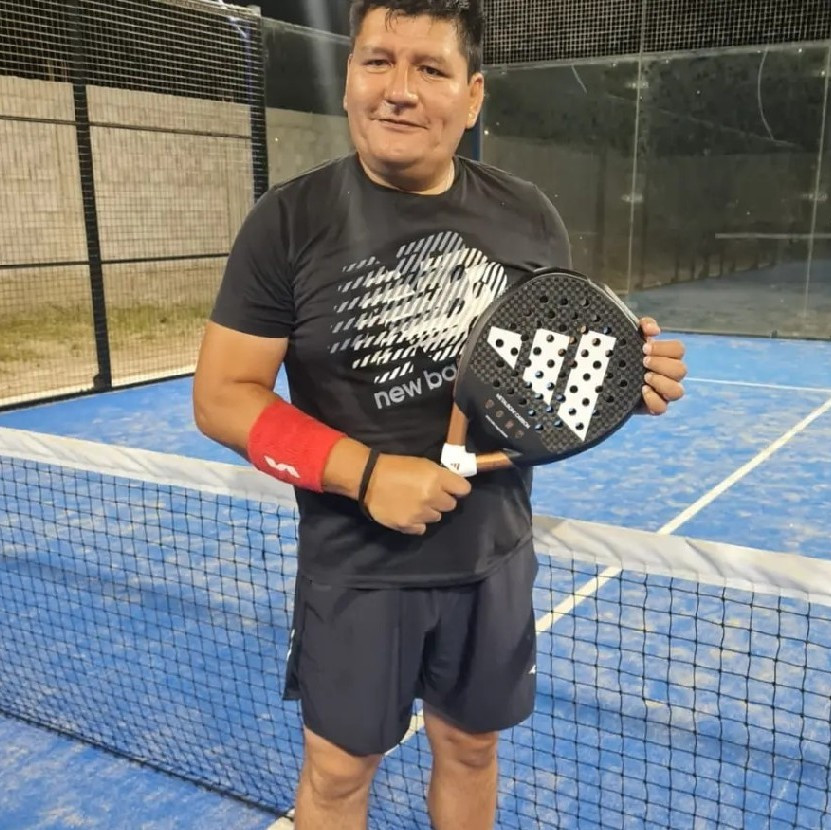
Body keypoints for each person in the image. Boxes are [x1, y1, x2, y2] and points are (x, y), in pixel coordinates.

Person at [192, 1, 687, 828]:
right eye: (376, 61)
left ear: (472, 95)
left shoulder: (526, 213)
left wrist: (612, 384)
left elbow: (539, 370)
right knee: (338, 774)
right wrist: (367, 475)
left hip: (492, 555)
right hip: (356, 567)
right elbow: (222, 397)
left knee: (471, 749)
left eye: (430, 68)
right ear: (348, 80)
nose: (398, 89)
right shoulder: (287, 221)